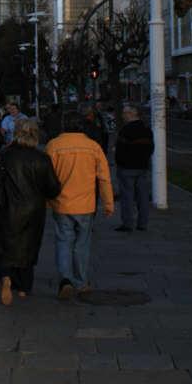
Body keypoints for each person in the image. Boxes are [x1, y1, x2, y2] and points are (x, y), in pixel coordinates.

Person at [0, 117, 61, 305]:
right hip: (32, 210)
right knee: (28, 248)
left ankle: (5, 278)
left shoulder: (3, 155)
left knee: (4, 246)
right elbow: (53, 188)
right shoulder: (42, 158)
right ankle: (23, 288)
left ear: (16, 133)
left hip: (5, 208)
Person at [45, 110, 114, 299]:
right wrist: (108, 203)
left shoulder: (54, 146)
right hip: (85, 204)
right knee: (82, 244)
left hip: (61, 203)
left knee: (63, 241)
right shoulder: (93, 147)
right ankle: (81, 282)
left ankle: (65, 279)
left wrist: (46, 201)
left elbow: (46, 177)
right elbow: (104, 178)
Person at [114, 103, 154, 233]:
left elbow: (120, 150)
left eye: (125, 113)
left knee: (127, 197)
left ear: (132, 114)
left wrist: (120, 163)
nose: (123, 115)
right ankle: (142, 223)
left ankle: (128, 223)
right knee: (142, 197)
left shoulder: (125, 130)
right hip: (142, 167)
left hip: (126, 168)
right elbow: (150, 148)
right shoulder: (146, 129)